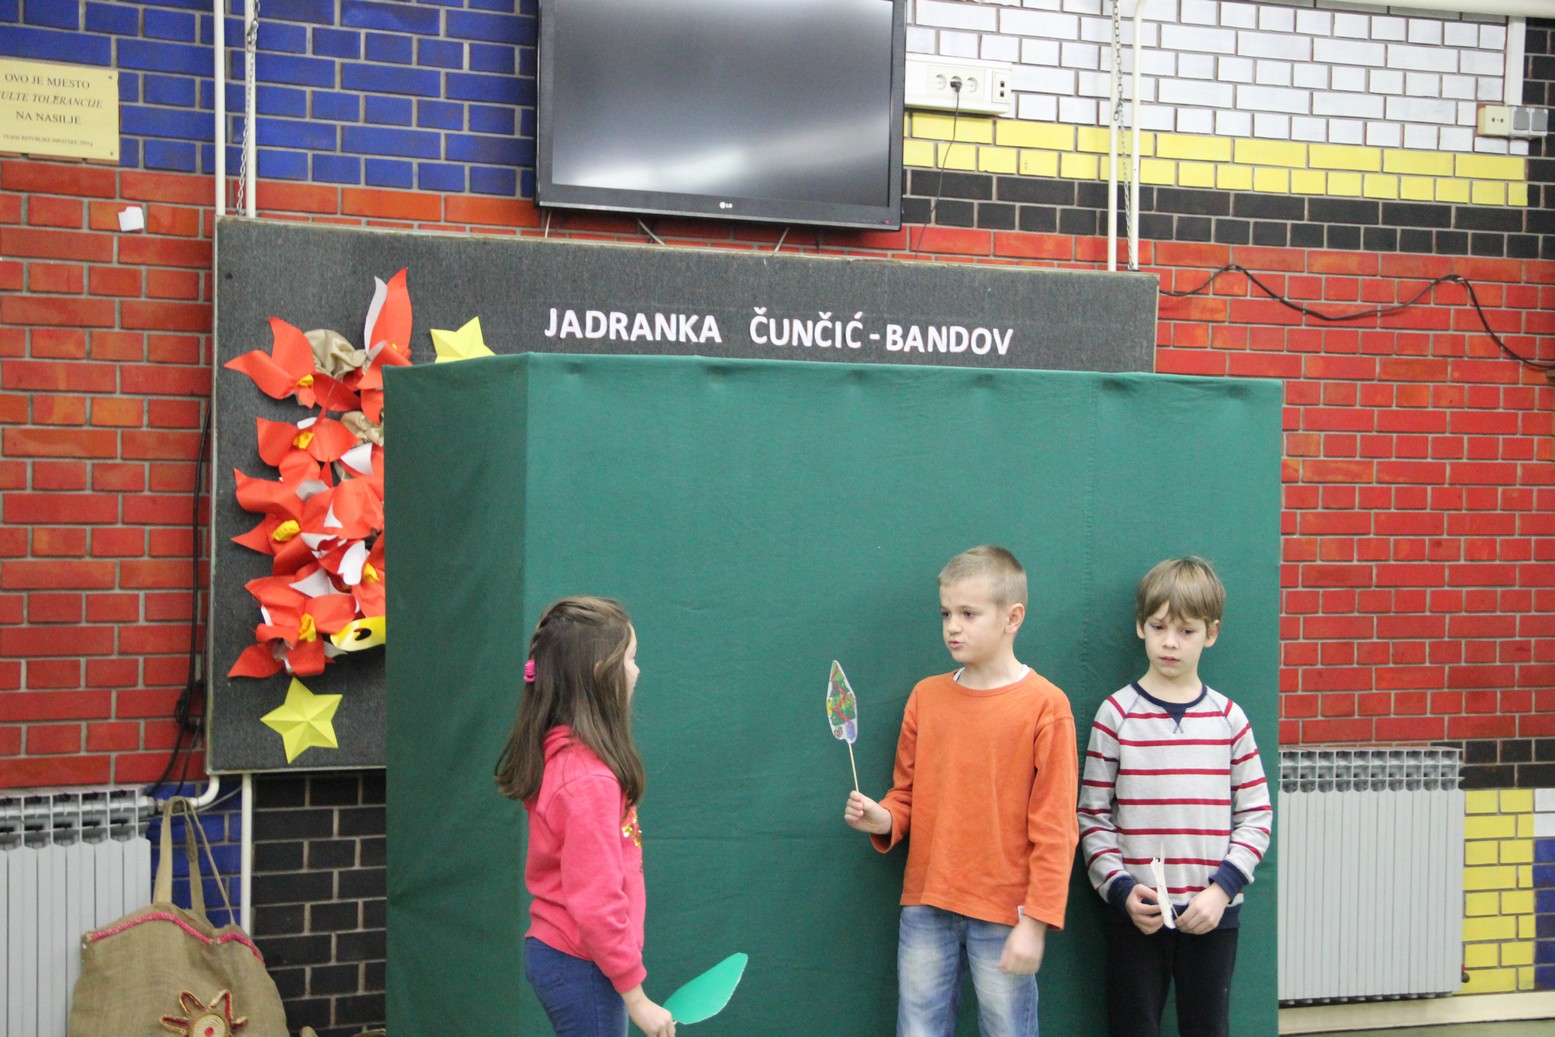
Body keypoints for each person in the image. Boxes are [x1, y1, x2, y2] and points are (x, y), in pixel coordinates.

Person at [844, 546, 1079, 1037]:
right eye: (946, 614)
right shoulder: (926, 697)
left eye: (969, 614)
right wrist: (883, 818)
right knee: (918, 1029)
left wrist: (1036, 922)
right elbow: (905, 795)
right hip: (927, 903)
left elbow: (1057, 827)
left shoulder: (1046, 706)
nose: (953, 626)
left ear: (1012, 617)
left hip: (1005, 912)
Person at [1077, 556, 1272, 1037]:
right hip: (1136, 915)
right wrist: (1122, 890)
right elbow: (1092, 816)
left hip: (1213, 916)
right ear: (1140, 626)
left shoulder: (1229, 720)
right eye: (1159, 626)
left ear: (1211, 633)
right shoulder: (1115, 715)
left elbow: (1257, 816)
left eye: (1186, 631)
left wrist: (1221, 891)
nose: (1170, 642)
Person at [495, 596, 676, 1037]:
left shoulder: (573, 759)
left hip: (574, 958)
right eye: (630, 659)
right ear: (601, 673)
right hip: (580, 964)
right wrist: (637, 998)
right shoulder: (588, 781)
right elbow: (596, 901)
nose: (637, 671)